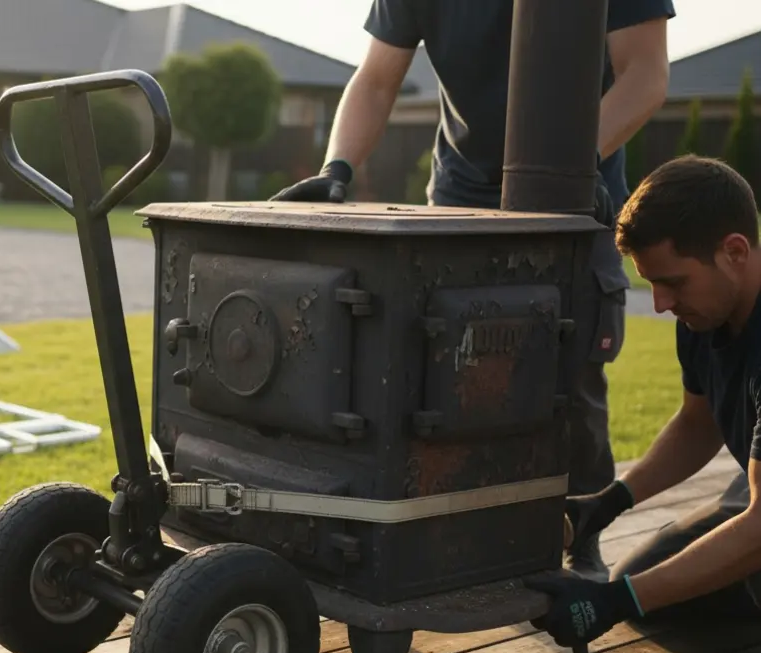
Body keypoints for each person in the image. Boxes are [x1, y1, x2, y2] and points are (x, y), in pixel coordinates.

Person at [270, 0, 674, 578]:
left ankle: (578, 539)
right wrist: (337, 169)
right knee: (438, 379)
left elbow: (646, 77)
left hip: (572, 195)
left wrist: (563, 162)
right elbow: (378, 79)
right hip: (462, 198)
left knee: (573, 382)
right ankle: (439, 541)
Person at [526, 155, 761, 647]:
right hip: (753, 496)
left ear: (735, 252)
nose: (659, 304)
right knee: (645, 578)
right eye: (650, 283)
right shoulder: (704, 318)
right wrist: (612, 501)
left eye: (673, 282)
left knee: (644, 592)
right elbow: (699, 425)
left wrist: (612, 605)